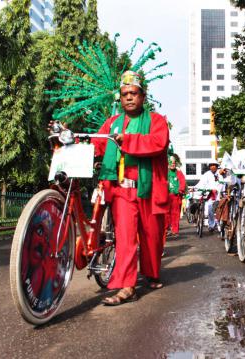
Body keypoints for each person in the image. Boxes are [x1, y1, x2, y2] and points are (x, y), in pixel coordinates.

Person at [92, 70, 169, 305]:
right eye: (124, 94)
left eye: (133, 93)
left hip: (149, 188)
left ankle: (152, 273)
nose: (128, 98)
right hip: (122, 190)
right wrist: (73, 142)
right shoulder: (112, 123)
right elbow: (97, 144)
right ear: (120, 97)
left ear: (143, 96)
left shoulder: (156, 121)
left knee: (152, 236)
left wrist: (128, 140)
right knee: (125, 238)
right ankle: (127, 287)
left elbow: (158, 143)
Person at [195, 160, 222, 231]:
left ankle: (220, 225)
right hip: (210, 195)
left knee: (221, 210)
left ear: (217, 166)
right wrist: (195, 188)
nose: (213, 167)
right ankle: (211, 225)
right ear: (209, 167)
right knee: (210, 209)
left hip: (220, 194)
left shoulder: (220, 173)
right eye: (211, 165)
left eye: (214, 165)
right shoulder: (206, 174)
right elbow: (201, 183)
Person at [164, 154, 186, 240]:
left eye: (174, 163)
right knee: (166, 214)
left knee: (175, 214)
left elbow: (182, 182)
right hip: (166, 196)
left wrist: (180, 190)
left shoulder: (179, 173)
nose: (172, 164)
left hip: (176, 196)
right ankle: (166, 229)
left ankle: (175, 230)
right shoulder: (165, 172)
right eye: (171, 163)